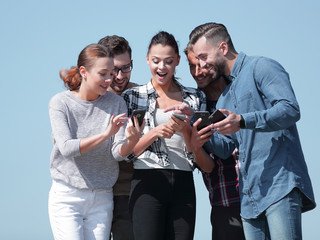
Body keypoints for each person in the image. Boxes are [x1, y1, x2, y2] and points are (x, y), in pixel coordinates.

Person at [185, 22, 316, 239]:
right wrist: (191, 122)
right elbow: (226, 148)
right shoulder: (226, 96)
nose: (200, 65)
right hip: (249, 198)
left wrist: (243, 121)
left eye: (203, 56)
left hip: (279, 186)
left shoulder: (261, 67)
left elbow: (290, 109)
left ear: (223, 48)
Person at [48, 43, 144, 240]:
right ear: (84, 71)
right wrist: (105, 134)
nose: (110, 80)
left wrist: (132, 141)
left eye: (111, 73)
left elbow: (117, 152)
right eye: (103, 74)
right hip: (68, 195)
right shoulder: (60, 103)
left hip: (102, 196)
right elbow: (67, 148)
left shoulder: (116, 102)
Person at [122, 31, 206, 240]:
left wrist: (186, 129)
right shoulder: (132, 97)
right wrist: (154, 133)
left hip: (184, 181)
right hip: (147, 179)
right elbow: (126, 153)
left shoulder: (195, 97)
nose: (162, 67)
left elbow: (198, 150)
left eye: (168, 61)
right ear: (147, 60)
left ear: (178, 61)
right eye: (156, 61)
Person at [184, 44, 245, 240]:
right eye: (192, 66)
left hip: (260, 197)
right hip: (224, 203)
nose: (197, 72)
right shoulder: (195, 105)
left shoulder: (243, 90)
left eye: (201, 65)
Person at [98, 35, 137, 240]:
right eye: (114, 71)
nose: (121, 76)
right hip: (94, 193)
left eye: (126, 68)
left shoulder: (141, 96)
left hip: (128, 191)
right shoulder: (87, 98)